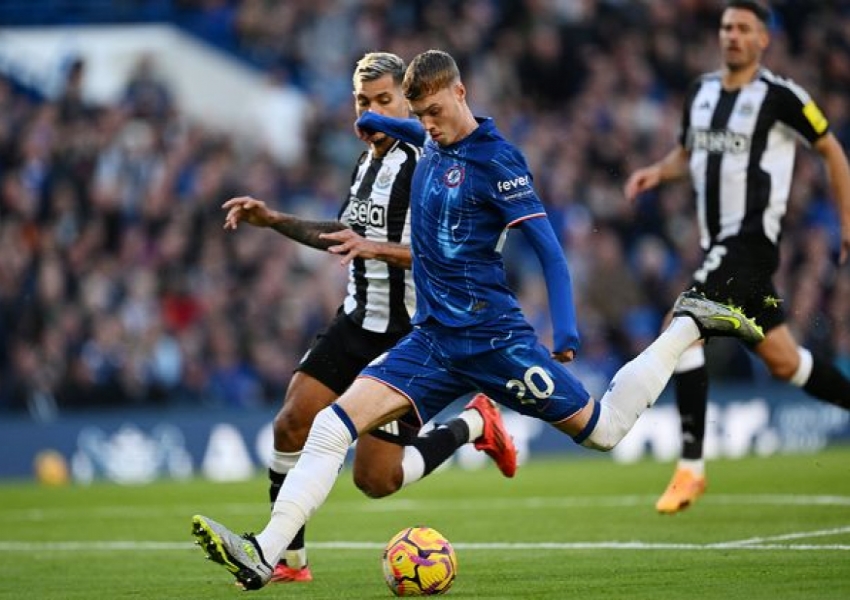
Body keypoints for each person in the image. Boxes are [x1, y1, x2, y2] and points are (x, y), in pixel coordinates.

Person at [191, 49, 764, 591]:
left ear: (461, 93)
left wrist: (564, 331)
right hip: (432, 340)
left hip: (495, 340)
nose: (430, 125)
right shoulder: (429, 138)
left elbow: (550, 250)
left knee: (606, 432)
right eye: (420, 116)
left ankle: (688, 322)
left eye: (436, 112)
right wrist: (378, 121)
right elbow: (409, 130)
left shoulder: (498, 161)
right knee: (328, 426)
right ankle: (266, 553)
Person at [219, 51, 518, 584]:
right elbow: (344, 234)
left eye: (384, 100)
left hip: (408, 334)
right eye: (363, 101)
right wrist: (275, 220)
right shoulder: (365, 164)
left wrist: (375, 248)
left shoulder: (427, 164)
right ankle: (290, 562)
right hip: (357, 320)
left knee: (376, 480)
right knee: (291, 421)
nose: (371, 113)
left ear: (406, 102)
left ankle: (475, 422)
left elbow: (442, 253)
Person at [624, 0, 850, 515]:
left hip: (748, 245)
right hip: (722, 251)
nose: (732, 36)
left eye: (744, 28)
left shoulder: (780, 96)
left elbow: (831, 149)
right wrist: (658, 172)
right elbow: (689, 152)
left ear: (763, 39)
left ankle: (691, 468)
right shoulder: (700, 93)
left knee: (679, 325)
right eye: (727, 27)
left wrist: (847, 220)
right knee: (785, 362)